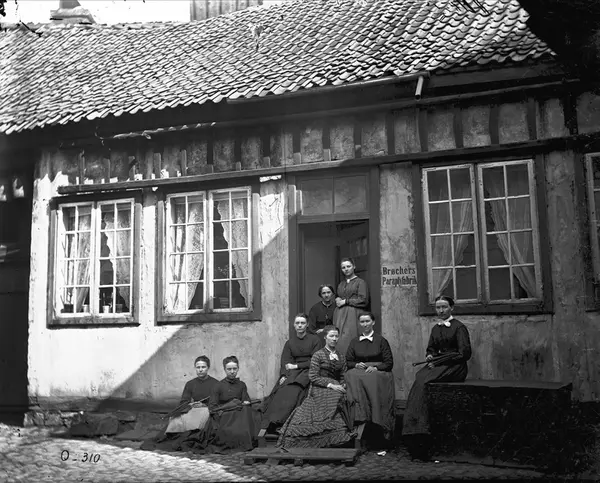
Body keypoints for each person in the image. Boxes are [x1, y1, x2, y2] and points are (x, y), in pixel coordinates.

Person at [402, 295, 472, 460]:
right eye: (438, 307)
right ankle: (414, 429)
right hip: (439, 364)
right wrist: (430, 356)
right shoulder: (435, 328)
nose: (441, 310)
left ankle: (420, 429)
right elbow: (431, 349)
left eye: (444, 307)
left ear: (451, 308)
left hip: (456, 367)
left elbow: (465, 353)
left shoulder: (459, 327)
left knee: (425, 380)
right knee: (420, 376)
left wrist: (441, 360)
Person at [277, 325, 356, 449]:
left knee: (341, 396)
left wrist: (342, 385)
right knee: (330, 398)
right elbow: (313, 376)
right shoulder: (318, 355)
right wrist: (330, 385)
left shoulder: (341, 356)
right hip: (320, 386)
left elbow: (343, 375)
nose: (334, 339)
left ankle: (334, 435)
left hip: (336, 386)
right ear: (325, 337)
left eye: (336, 336)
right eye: (331, 336)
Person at [183, 355, 261, 453]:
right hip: (224, 415)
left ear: (238, 369)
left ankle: (246, 442)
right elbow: (212, 407)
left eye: (234, 369)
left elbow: (246, 400)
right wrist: (226, 407)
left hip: (239, 414)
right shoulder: (218, 386)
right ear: (224, 369)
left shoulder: (242, 385)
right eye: (229, 369)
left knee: (251, 411)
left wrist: (246, 402)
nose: (232, 371)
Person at [140, 355, 218, 451]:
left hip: (208, 410)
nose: (200, 370)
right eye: (198, 367)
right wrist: (191, 404)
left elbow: (218, 402)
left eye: (203, 367)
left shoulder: (216, 384)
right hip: (193, 409)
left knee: (205, 416)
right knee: (177, 418)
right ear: (195, 368)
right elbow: (184, 401)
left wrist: (204, 405)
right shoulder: (190, 384)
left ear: (208, 368)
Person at [260, 314, 322, 432]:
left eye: (302, 323)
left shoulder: (315, 340)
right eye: (297, 323)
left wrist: (297, 366)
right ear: (294, 325)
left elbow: (315, 360)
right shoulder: (290, 343)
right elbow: (285, 361)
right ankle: (271, 421)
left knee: (295, 390)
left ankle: (283, 421)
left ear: (307, 325)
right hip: (292, 372)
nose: (300, 325)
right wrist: (283, 375)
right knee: (282, 388)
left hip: (309, 370)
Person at [344, 312, 395, 440]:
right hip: (360, 371)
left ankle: (379, 420)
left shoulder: (381, 341)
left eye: (367, 321)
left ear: (373, 322)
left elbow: (389, 363)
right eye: (362, 322)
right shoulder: (354, 341)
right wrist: (356, 364)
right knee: (350, 375)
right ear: (359, 323)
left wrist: (376, 367)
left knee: (372, 377)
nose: (365, 324)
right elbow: (348, 361)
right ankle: (359, 417)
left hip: (378, 371)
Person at [333, 257, 370, 355]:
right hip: (340, 315)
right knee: (339, 339)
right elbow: (339, 295)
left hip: (353, 314)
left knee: (350, 338)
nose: (346, 269)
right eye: (343, 267)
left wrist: (346, 301)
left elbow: (363, 300)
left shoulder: (360, 282)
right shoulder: (341, 284)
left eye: (348, 266)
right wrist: (337, 298)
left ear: (354, 267)